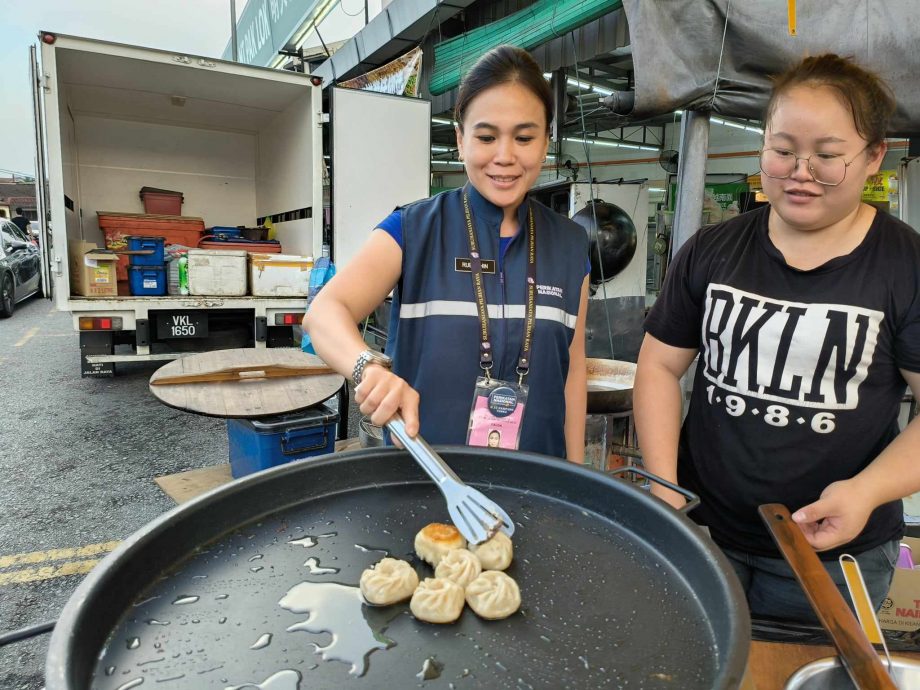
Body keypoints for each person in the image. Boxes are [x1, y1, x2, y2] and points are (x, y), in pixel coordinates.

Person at [634, 54, 920, 622]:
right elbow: (659, 367)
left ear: (873, 157)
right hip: (704, 531)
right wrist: (664, 485)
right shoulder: (714, 249)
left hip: (833, 557)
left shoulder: (904, 264)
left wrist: (865, 492)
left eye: (829, 156)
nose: (800, 171)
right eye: (783, 150)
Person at [304, 45, 590, 460]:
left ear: (546, 140)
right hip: (426, 480)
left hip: (539, 485)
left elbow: (573, 369)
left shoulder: (570, 244)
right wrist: (368, 366)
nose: (505, 156)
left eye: (524, 137)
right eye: (486, 136)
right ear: (460, 139)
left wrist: (578, 483)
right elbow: (324, 312)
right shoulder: (412, 229)